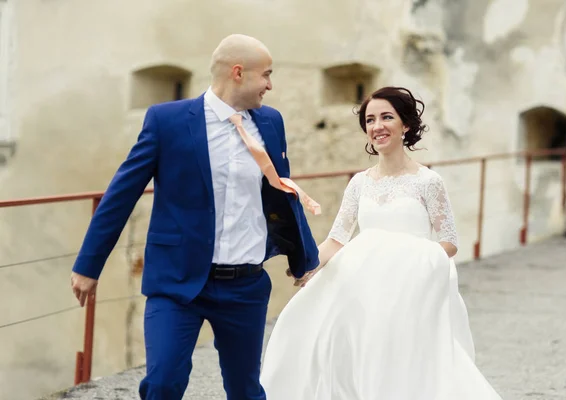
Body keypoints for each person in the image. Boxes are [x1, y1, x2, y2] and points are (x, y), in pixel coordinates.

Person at [69, 34, 320, 400]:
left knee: (245, 389)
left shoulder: (270, 122)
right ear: (238, 73)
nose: (270, 84)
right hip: (176, 282)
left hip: (245, 285)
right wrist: (88, 266)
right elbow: (121, 194)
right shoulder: (166, 121)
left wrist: (304, 258)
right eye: (266, 74)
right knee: (163, 383)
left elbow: (282, 192)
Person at [260, 86, 503, 399]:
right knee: (319, 333)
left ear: (406, 125)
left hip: (411, 289)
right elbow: (337, 240)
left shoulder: (428, 182)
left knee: (405, 363)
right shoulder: (359, 183)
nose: (377, 126)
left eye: (387, 117)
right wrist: (307, 266)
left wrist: (410, 264)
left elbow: (449, 242)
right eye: (370, 119)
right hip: (364, 290)